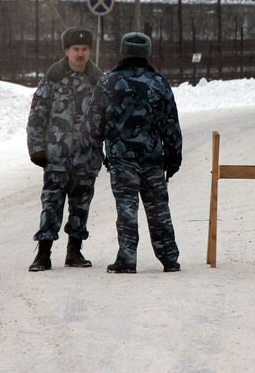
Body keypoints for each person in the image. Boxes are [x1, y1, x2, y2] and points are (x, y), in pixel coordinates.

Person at [88, 32, 182, 274]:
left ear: (123, 51)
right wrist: (173, 157)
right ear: (147, 53)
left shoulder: (108, 82)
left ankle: (127, 260)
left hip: (121, 159)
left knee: (126, 208)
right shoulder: (159, 83)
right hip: (152, 158)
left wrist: (97, 151)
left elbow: (94, 122)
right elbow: (170, 123)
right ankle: (169, 258)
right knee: (159, 208)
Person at [26, 27, 104, 272]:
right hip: (57, 156)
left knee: (81, 205)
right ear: (67, 51)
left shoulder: (99, 81)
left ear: (90, 51)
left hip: (86, 157)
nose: (80, 54)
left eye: (84, 49)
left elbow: (107, 118)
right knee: (51, 204)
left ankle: (74, 251)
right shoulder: (52, 79)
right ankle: (43, 253)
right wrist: (37, 149)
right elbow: (37, 116)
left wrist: (104, 151)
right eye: (75, 49)